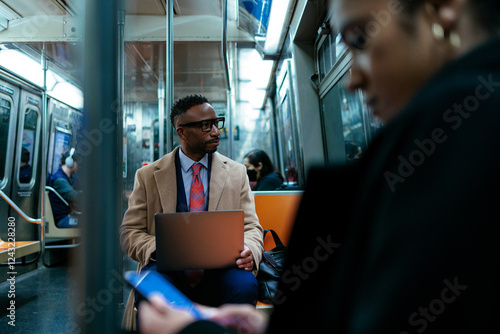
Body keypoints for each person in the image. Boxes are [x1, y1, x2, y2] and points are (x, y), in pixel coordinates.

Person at [136, 0, 500, 333]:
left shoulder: (457, 148)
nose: (353, 79)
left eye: (359, 39)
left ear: (444, 10)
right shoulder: (448, 144)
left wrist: (192, 330)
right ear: (181, 133)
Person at [120, 94, 264, 331]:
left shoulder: (236, 173)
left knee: (245, 284)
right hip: (168, 269)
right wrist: (159, 249)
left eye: (217, 123)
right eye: (206, 126)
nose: (216, 132)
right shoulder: (148, 176)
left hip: (221, 270)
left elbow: (251, 227)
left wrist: (251, 249)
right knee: (150, 286)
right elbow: (130, 232)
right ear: (182, 132)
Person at [47, 148, 82, 228]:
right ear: (70, 162)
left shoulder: (72, 178)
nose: (79, 167)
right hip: (62, 218)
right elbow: (74, 196)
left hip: (71, 214)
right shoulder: (59, 180)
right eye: (78, 164)